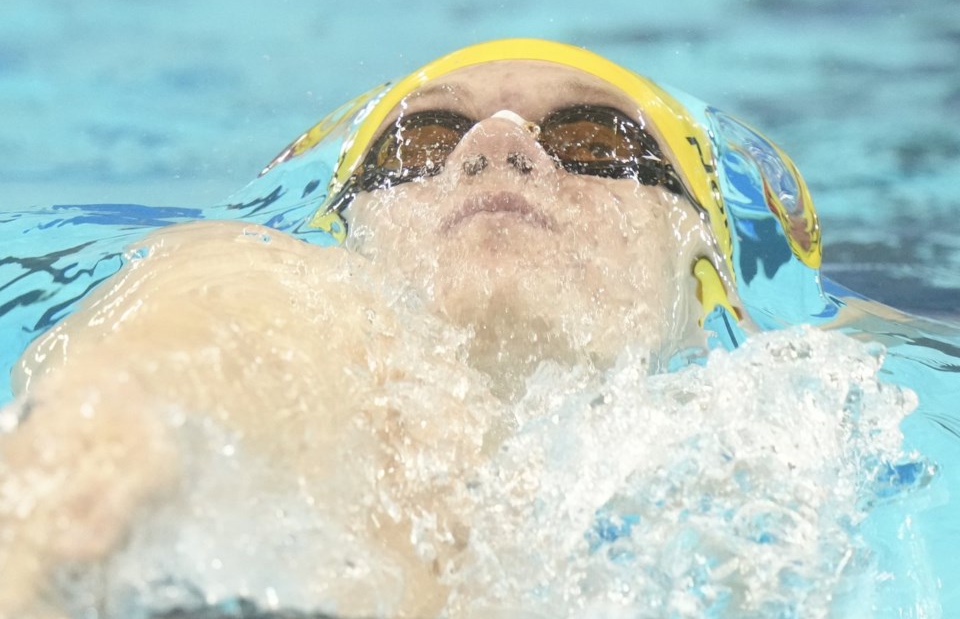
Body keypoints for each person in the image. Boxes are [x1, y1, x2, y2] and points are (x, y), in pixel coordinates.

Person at [0, 39, 823, 618]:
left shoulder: (805, 439)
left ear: (707, 269)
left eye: (593, 140)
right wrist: (88, 469)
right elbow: (209, 333)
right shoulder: (282, 296)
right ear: (349, 233)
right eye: (420, 142)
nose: (496, 145)